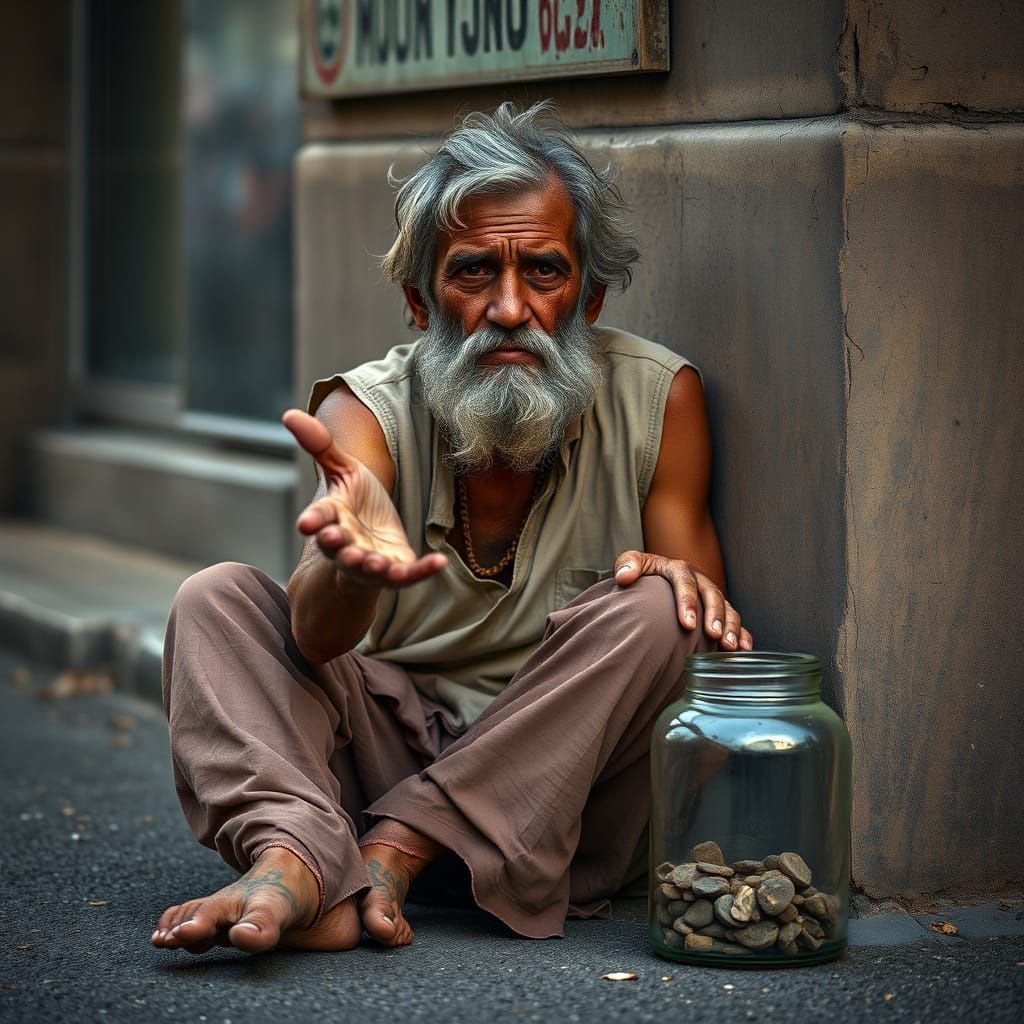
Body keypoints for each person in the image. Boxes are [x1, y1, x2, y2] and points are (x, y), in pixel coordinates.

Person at [151, 101, 752, 957]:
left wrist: (687, 596)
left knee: (667, 608)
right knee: (212, 600)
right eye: (473, 273)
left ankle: (393, 851)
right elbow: (316, 637)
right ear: (419, 300)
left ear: (591, 293)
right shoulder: (368, 409)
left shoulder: (661, 398)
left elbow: (709, 663)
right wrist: (353, 569)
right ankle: (293, 858)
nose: (510, 308)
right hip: (372, 764)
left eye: (544, 272)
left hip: (556, 804)